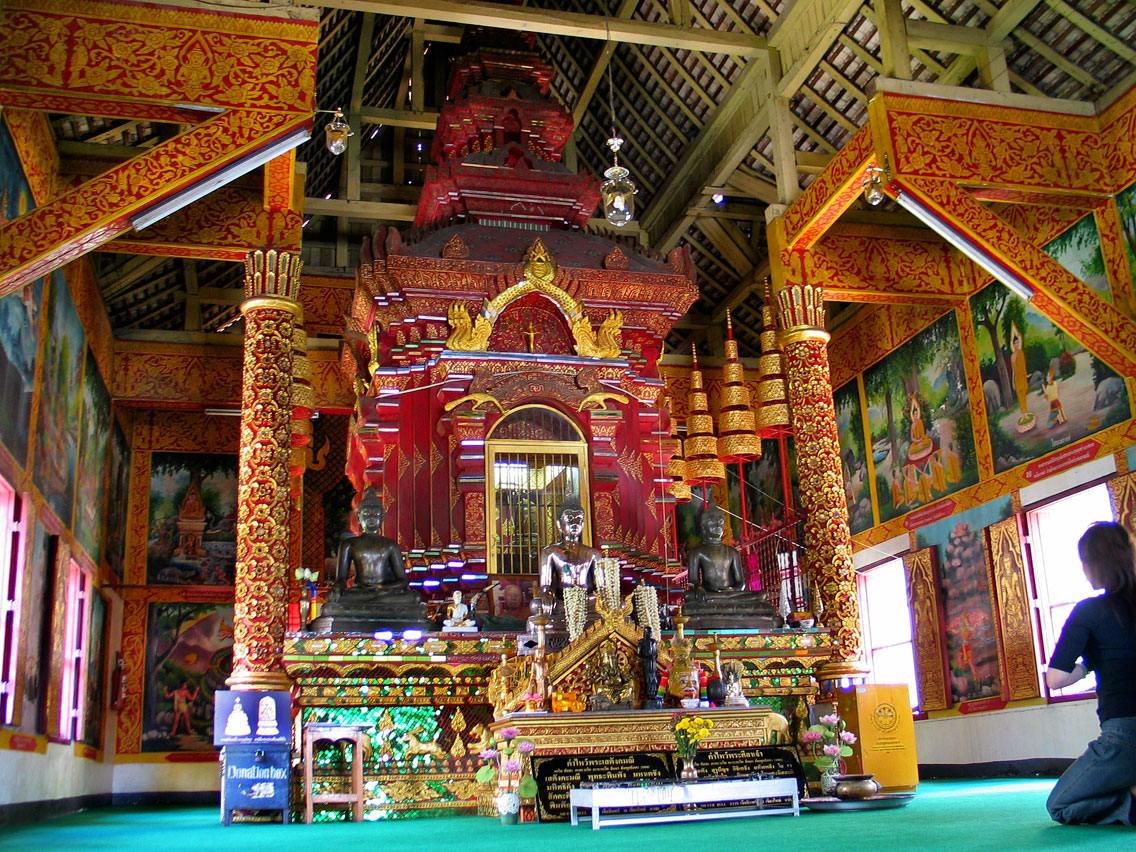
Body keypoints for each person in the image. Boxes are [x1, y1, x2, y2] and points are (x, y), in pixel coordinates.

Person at [1045, 521, 1136, 826]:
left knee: (1060, 805)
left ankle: (1131, 804)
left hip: (1126, 735)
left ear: (1093, 566)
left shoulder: (1089, 611)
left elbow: (1055, 679)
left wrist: (1087, 665)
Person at [683, 498, 774, 629]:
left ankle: (722, 603)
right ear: (704, 527)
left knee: (761, 595)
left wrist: (731, 591)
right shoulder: (697, 552)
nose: (717, 526)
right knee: (689, 597)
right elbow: (693, 580)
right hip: (709, 594)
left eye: (720, 522)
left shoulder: (732, 552)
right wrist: (699, 588)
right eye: (712, 522)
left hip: (729, 595)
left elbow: (740, 582)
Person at [534, 496, 604, 638]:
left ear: (583, 524)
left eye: (578, 519)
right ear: (559, 524)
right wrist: (547, 594)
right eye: (569, 518)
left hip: (588, 601)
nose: (574, 522)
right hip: (562, 602)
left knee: (617, 605)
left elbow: (601, 588)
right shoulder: (550, 552)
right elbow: (546, 585)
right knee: (537, 606)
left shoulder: (592, 554)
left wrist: (604, 597)